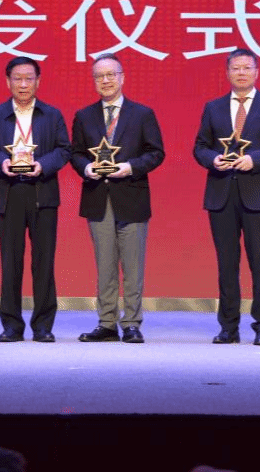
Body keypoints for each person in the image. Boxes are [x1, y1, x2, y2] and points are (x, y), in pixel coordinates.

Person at [193, 48, 260, 346]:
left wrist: (254, 160)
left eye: (247, 68)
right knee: (227, 264)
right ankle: (228, 327)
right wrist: (212, 160)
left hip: (257, 194)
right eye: (236, 68)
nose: (241, 73)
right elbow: (200, 147)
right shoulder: (214, 108)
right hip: (221, 194)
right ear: (227, 72)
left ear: (257, 72)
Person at [70, 54, 165, 344]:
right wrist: (86, 168)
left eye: (111, 74)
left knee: (133, 266)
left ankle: (132, 323)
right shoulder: (84, 116)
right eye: (99, 76)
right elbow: (75, 153)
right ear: (94, 81)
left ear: (122, 77)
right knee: (105, 266)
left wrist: (131, 167)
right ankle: (107, 323)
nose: (106, 80)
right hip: (98, 197)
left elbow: (156, 153)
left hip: (132, 195)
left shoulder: (142, 114)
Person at [0, 56, 70, 343]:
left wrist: (43, 165)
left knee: (44, 262)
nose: (24, 84)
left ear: (38, 81)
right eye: (17, 78)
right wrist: (0, 162)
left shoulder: (52, 115)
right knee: (10, 262)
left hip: (43, 193)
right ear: (8, 82)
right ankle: (12, 326)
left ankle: (43, 326)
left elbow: (64, 150)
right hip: (8, 193)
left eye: (29, 78)